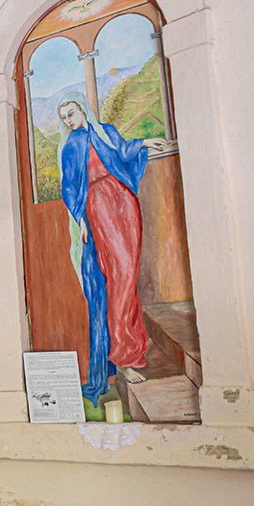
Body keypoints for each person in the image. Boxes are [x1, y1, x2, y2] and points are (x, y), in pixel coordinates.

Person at [57, 91, 168, 405]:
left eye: (71, 112)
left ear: (83, 109)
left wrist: (145, 143)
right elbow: (70, 186)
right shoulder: (71, 146)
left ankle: (134, 350)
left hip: (125, 202)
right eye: (64, 117)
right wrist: (81, 220)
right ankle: (122, 356)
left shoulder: (105, 131)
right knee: (118, 278)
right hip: (98, 206)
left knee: (129, 277)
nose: (68, 120)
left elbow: (122, 150)